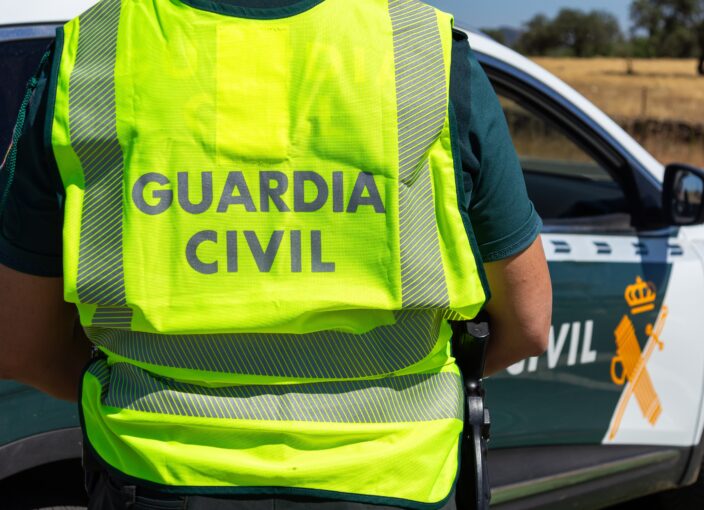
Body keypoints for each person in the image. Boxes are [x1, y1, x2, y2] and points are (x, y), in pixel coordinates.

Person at [0, 0, 552, 508]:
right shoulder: (421, 48)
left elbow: (21, 344)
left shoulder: (94, 49)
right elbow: (528, 324)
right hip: (399, 482)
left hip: (152, 477)